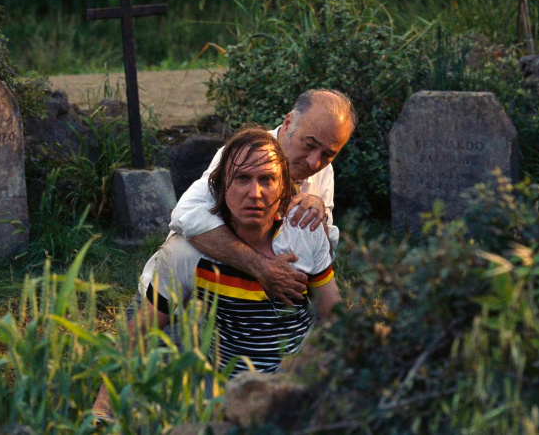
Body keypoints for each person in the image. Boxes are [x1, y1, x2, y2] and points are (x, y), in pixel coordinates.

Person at [92, 128, 340, 417]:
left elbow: (336, 321)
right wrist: (101, 412)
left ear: (284, 188)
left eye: (267, 180)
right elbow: (138, 337)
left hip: (299, 390)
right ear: (220, 187)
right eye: (242, 179)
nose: (255, 193)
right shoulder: (184, 254)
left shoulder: (305, 235)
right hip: (227, 398)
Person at [166, 89, 355, 305]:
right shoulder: (241, 156)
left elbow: (324, 255)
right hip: (196, 296)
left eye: (328, 154)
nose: (314, 162)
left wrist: (318, 216)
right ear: (288, 123)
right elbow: (184, 217)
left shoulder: (324, 170)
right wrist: (261, 267)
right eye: (309, 145)